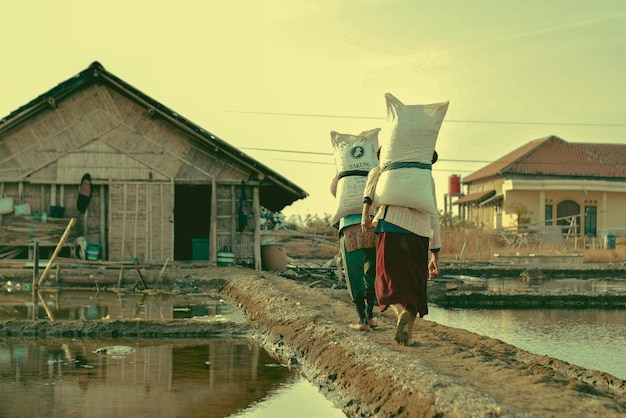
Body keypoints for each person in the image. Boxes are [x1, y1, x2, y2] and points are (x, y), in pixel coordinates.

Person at [361, 150, 442, 345]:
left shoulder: (381, 171)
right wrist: (435, 253)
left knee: (385, 281)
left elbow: (368, 194)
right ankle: (408, 333)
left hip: (392, 226)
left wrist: (366, 215)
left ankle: (400, 312)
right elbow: (434, 214)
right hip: (420, 233)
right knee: (414, 284)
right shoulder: (426, 178)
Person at [331, 177, 378, 331]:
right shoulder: (374, 169)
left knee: (354, 274)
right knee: (371, 272)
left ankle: (362, 319)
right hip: (373, 225)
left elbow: (334, 190)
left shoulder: (343, 174)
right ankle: (370, 316)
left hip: (350, 228)